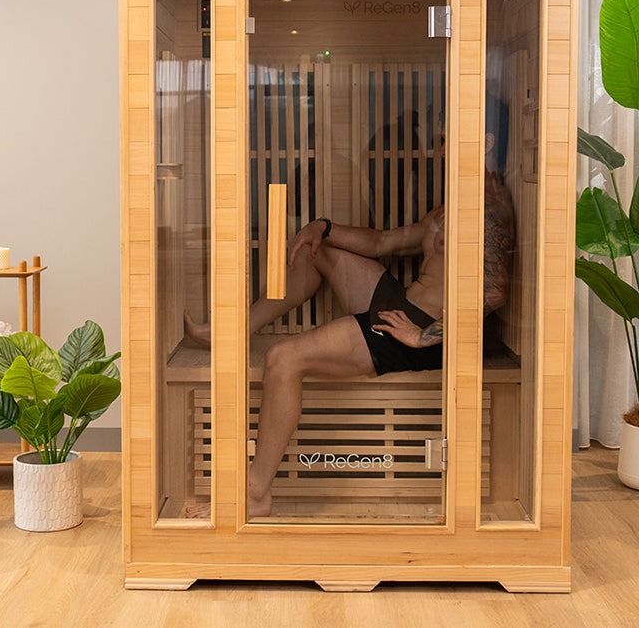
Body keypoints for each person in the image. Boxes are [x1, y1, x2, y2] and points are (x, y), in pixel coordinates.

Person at [185, 131, 514, 518]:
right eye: (440, 139)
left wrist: (422, 336)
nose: (440, 150)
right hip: (405, 306)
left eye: (449, 139)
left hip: (420, 332)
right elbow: (385, 242)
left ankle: (255, 493)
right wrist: (323, 228)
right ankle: (232, 333)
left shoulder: (490, 211)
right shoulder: (452, 204)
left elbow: (493, 294)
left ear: (486, 140)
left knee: (283, 358)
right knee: (314, 250)